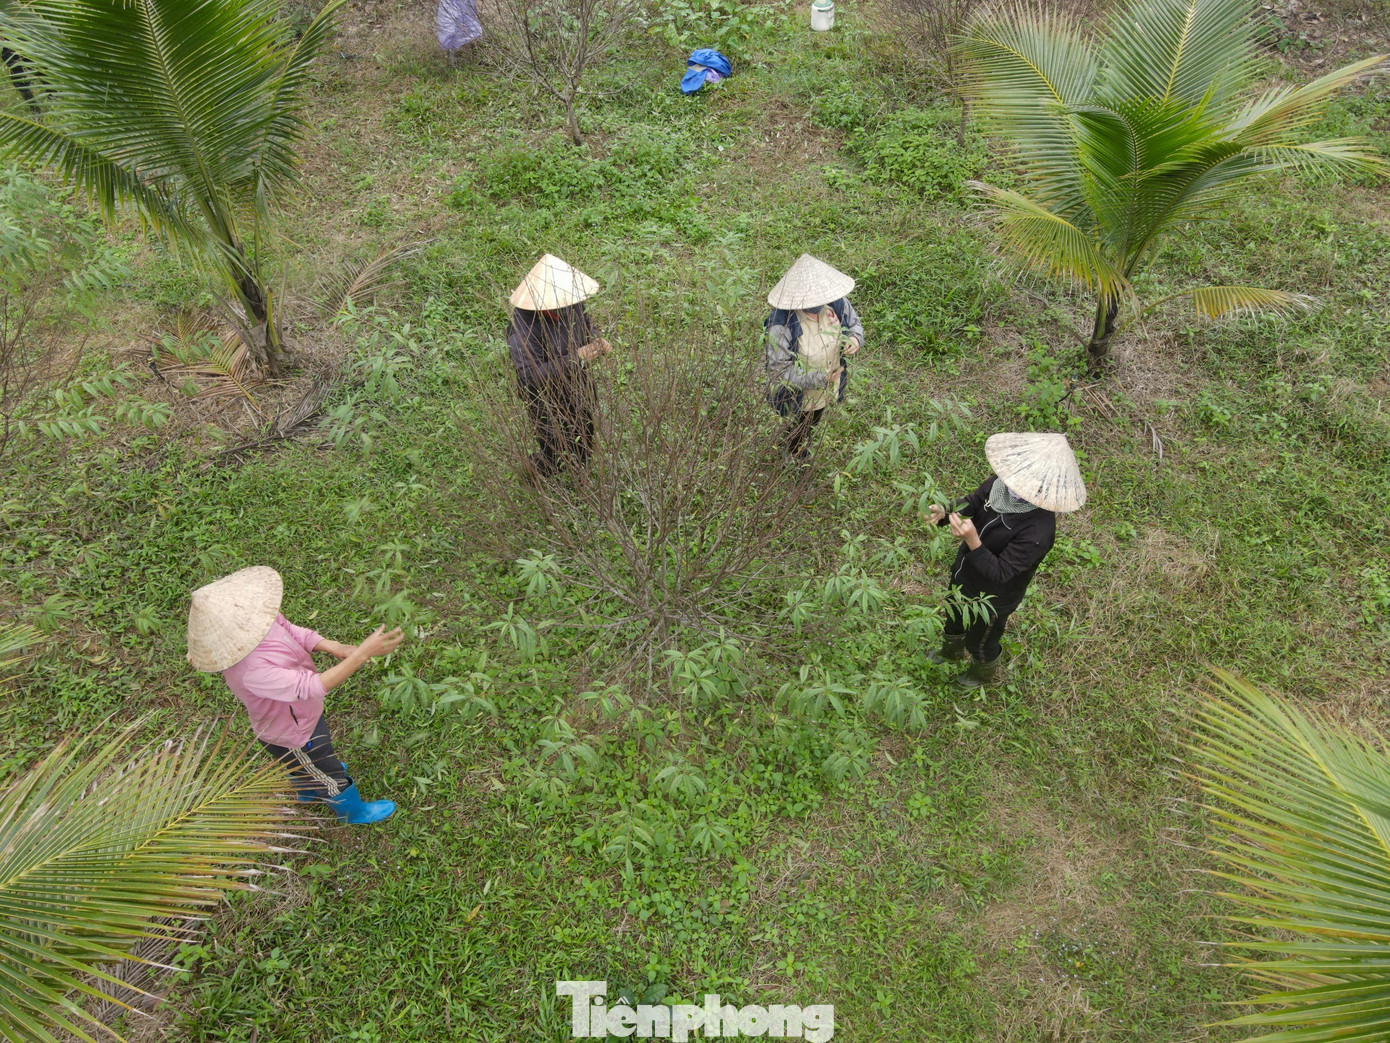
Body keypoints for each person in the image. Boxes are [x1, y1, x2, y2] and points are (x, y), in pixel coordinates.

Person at [186, 566, 403, 824]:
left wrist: (333, 646)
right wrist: (361, 654)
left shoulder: (257, 620)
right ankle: (353, 812)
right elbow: (309, 687)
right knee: (328, 771)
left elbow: (290, 629)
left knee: (306, 764)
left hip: (302, 718)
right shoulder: (251, 671)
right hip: (292, 734)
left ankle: (307, 788)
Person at [924, 433, 1087, 688]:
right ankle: (951, 650)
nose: (1011, 483)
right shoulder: (1000, 485)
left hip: (993, 599)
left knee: (982, 638)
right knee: (954, 615)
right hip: (965, 574)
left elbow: (1001, 573)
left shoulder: (1038, 532)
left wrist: (973, 541)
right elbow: (974, 501)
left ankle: (980, 673)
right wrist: (946, 512)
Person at [505, 254, 611, 479]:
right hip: (545, 399)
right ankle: (537, 478)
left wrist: (596, 341)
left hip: (578, 384)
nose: (570, 303)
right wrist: (575, 358)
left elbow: (586, 323)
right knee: (553, 447)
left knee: (584, 434)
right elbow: (529, 378)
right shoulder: (521, 327)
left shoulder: (570, 302)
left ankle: (581, 481)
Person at [764, 253, 864, 463]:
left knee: (813, 420)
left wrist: (854, 339)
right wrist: (819, 377)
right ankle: (792, 454)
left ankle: (799, 447)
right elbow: (779, 371)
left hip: (829, 385)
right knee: (798, 422)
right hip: (799, 393)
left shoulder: (836, 304)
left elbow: (855, 324)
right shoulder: (782, 325)